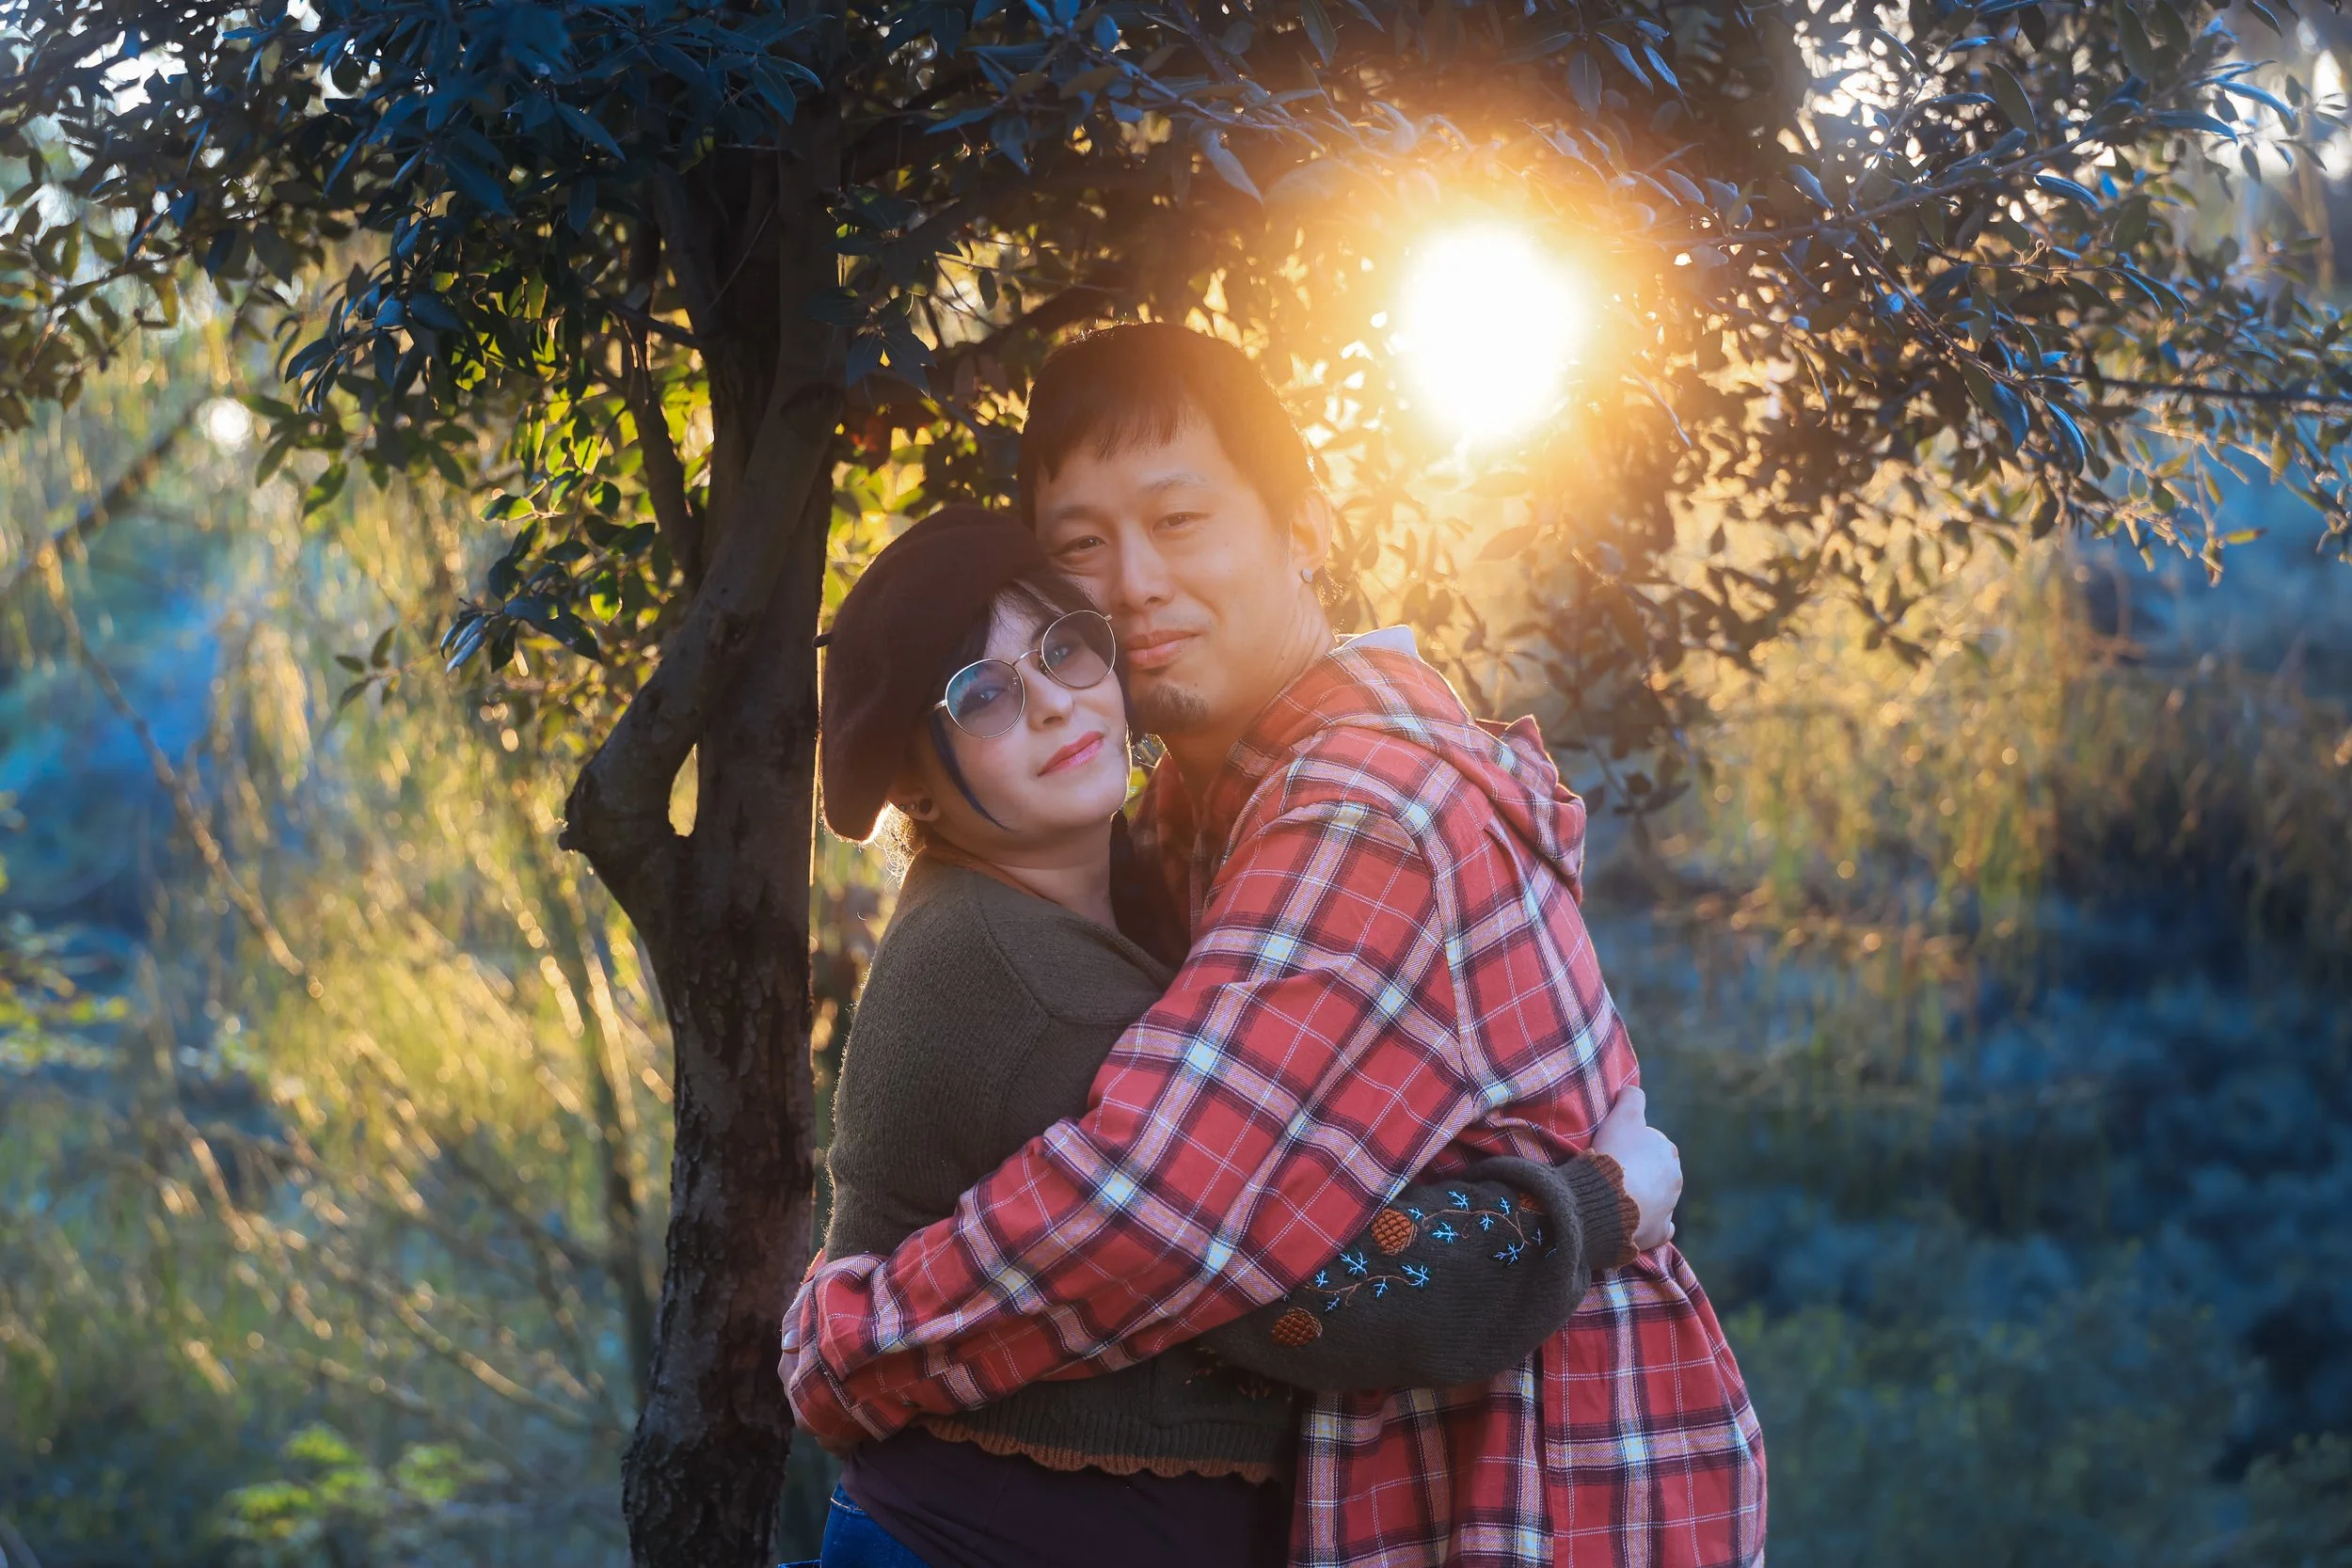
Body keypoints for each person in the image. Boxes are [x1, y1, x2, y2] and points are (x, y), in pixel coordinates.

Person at [789, 324, 1765, 1568]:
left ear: (1305, 528)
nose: (1131, 582)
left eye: (1180, 520)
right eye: (1083, 547)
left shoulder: (1354, 809)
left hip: (1524, 1487)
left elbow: (1166, 1216)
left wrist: (852, 1341)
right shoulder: (1187, 820)